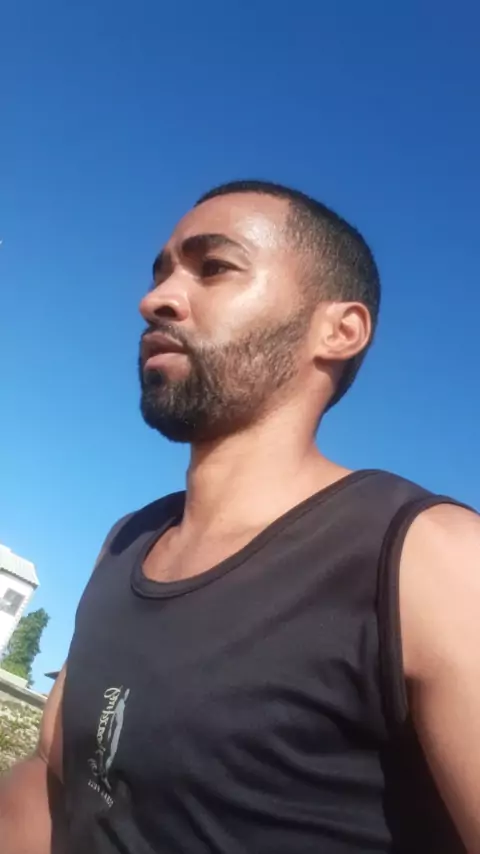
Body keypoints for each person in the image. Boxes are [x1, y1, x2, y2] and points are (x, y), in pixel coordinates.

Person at [1, 180, 479, 854]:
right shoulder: (126, 543)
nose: (155, 299)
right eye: (161, 273)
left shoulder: (429, 560)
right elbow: (55, 781)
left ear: (339, 330)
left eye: (214, 267)